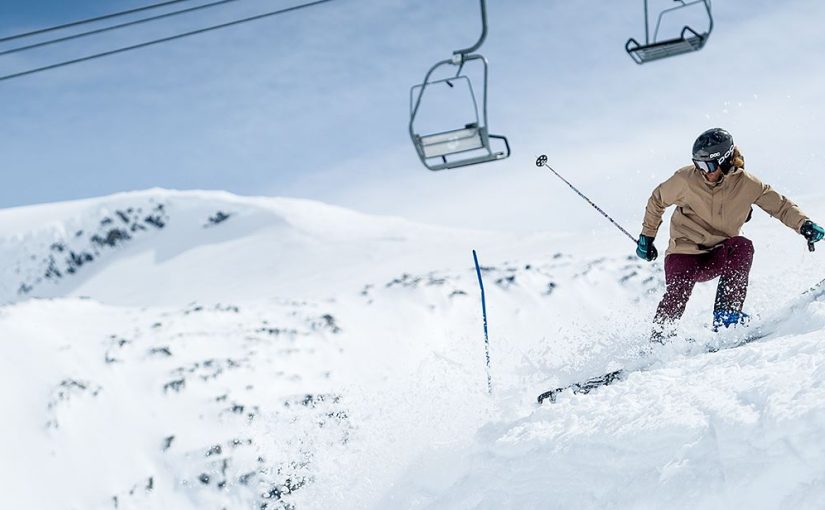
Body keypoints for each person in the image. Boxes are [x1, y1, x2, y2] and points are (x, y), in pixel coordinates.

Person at [636, 128, 824, 341]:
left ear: (725, 161)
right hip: (684, 250)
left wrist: (804, 225)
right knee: (679, 290)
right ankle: (659, 340)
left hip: (719, 251)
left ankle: (726, 316)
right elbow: (657, 199)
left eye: (707, 165)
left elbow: (781, 206)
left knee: (743, 245)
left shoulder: (748, 184)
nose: (702, 170)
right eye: (697, 164)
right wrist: (647, 236)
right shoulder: (685, 179)